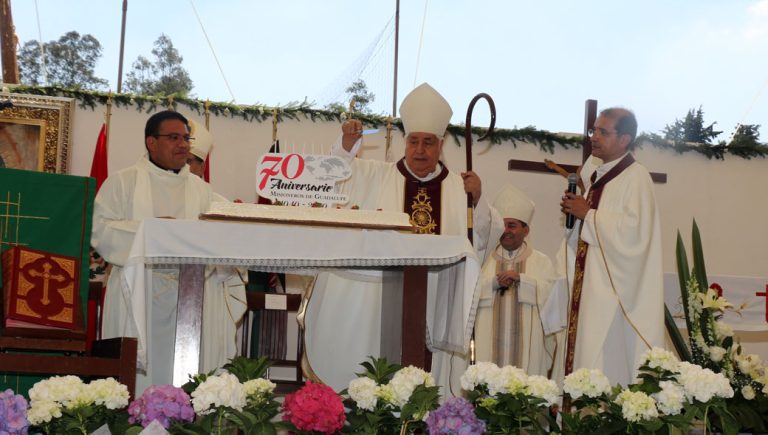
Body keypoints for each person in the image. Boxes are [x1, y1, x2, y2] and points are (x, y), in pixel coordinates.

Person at [304, 82, 503, 395]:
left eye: (428, 142)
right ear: (405, 143)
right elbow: (334, 182)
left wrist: (477, 199)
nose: (420, 150)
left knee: (430, 380)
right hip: (382, 298)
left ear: (440, 145)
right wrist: (346, 145)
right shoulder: (376, 175)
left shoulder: (458, 187)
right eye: (413, 141)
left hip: (437, 298)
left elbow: (487, 234)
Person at [92, 110, 214, 393]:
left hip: (186, 302)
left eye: (186, 138)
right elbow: (99, 230)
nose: (183, 144)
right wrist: (152, 231)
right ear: (151, 142)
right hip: (132, 295)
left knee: (179, 376)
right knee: (129, 383)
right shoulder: (123, 182)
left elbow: (215, 237)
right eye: (173, 137)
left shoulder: (202, 191)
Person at [559, 107, 664, 386]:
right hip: (591, 288)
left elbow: (635, 234)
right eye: (594, 130)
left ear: (625, 139)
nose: (594, 137)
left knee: (607, 362)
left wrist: (588, 215)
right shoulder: (596, 177)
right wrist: (577, 220)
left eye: (603, 132)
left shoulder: (635, 177)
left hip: (614, 295)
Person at [184, 119, 248, 373]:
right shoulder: (146, 190)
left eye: (190, 160)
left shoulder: (218, 203)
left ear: (201, 166)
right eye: (182, 158)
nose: (184, 165)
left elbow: (232, 256)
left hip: (205, 289)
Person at [474, 185, 558, 377]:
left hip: (529, 349)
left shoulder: (541, 261)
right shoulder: (482, 259)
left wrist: (522, 280)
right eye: (502, 225)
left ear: (526, 230)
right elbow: (468, 295)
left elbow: (554, 299)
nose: (506, 231)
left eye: (512, 225)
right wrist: (493, 283)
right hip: (488, 347)